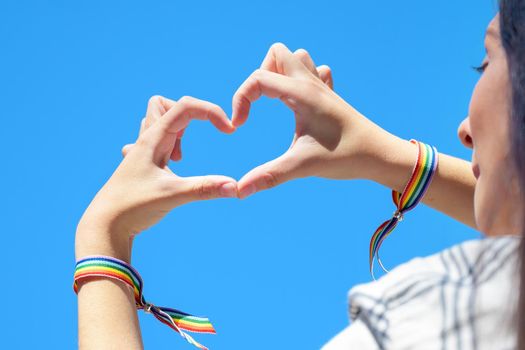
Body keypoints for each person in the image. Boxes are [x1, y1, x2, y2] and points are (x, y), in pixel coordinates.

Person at [74, 0, 525, 348]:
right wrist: (385, 156)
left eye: (486, 62)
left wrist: (104, 237)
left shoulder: (438, 313)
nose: (463, 132)